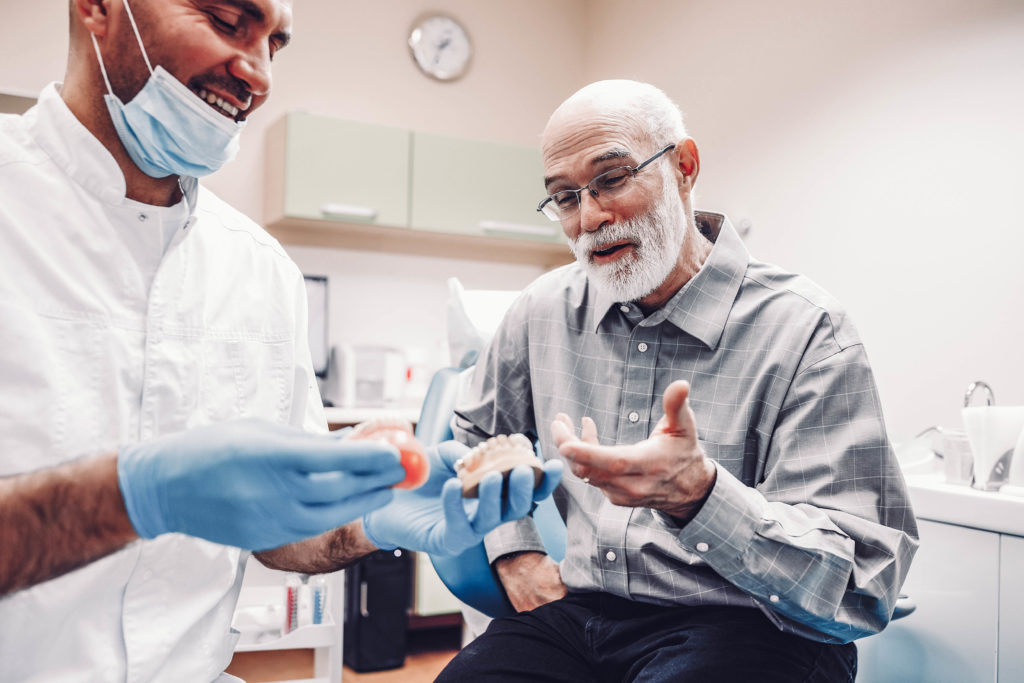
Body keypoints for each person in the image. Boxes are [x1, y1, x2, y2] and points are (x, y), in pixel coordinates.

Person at [0, 0, 560, 680]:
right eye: (227, 19)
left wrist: (367, 517)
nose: (258, 74)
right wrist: (130, 496)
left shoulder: (259, 269)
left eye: (277, 43)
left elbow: (282, 537)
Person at [438, 79, 919, 682]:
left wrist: (701, 496)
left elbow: (863, 583)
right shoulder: (542, 310)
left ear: (684, 167)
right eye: (564, 197)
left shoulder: (806, 330)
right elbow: (475, 433)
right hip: (582, 613)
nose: (589, 218)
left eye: (612, 179)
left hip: (752, 623)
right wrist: (517, 551)